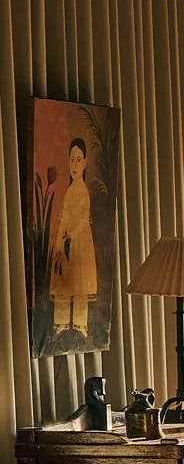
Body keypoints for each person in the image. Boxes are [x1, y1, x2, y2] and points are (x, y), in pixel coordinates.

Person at [49, 137, 98, 340]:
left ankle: (80, 323)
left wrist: (72, 235)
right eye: (72, 159)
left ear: (85, 162)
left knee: (79, 285)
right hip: (66, 238)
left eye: (79, 160)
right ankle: (61, 322)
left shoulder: (83, 191)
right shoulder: (71, 189)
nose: (75, 164)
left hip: (78, 241)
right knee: (63, 281)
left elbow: (83, 218)